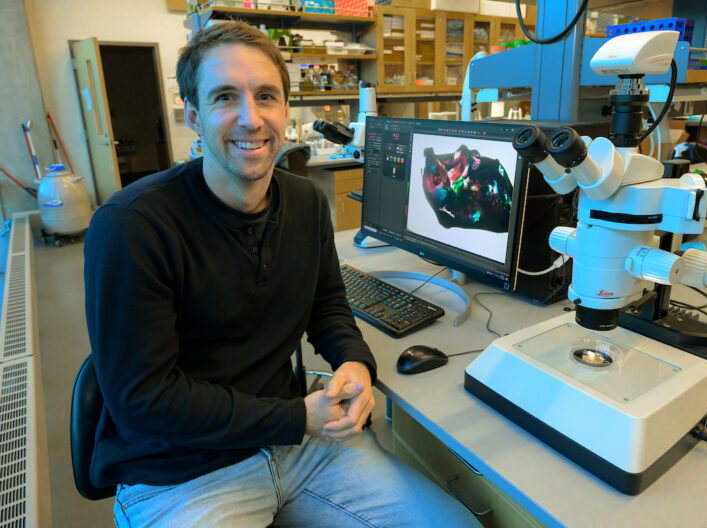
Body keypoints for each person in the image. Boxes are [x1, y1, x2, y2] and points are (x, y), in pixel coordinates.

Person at [83, 20, 478, 527]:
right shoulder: (132, 226)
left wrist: (354, 362)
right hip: (181, 475)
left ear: (285, 111)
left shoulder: (306, 202)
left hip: (302, 448)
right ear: (194, 115)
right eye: (226, 97)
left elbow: (327, 304)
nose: (251, 117)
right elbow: (144, 399)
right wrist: (296, 418)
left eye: (265, 95)